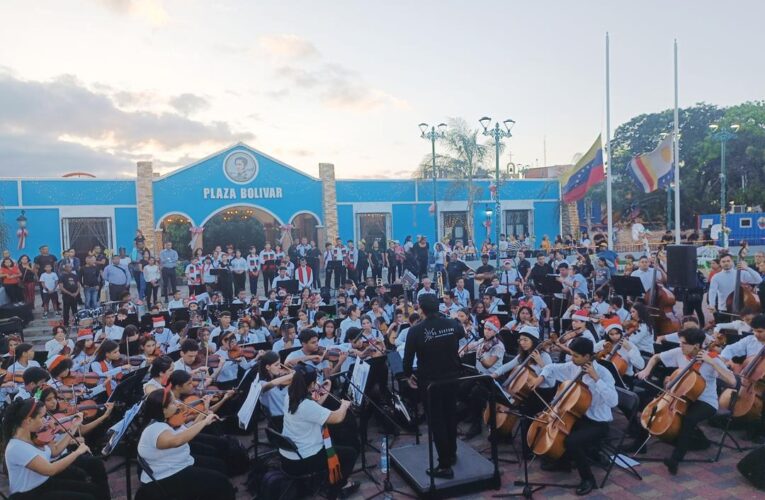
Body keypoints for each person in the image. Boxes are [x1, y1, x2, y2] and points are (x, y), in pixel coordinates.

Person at [635, 328, 735, 474]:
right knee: (652, 407)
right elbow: (656, 357)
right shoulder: (680, 353)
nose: (680, 346)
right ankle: (639, 444)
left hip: (706, 401)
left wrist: (712, 363)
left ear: (696, 345)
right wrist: (647, 370)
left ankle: (675, 459)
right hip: (681, 396)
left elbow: (732, 381)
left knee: (689, 419)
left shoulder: (713, 359)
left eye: (683, 343)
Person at [530, 337, 618, 496]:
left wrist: (596, 378)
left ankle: (588, 479)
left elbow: (613, 401)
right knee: (562, 431)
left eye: (576, 356)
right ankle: (564, 463)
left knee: (571, 441)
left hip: (598, 422)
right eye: (571, 354)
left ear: (587, 356)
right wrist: (540, 377)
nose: (572, 358)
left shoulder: (604, 373)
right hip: (580, 416)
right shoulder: (573, 366)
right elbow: (551, 367)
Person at [403, 294, 465, 479]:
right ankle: (451, 453)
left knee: (437, 421)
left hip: (431, 382)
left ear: (421, 309)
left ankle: (445, 465)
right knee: (450, 415)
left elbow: (407, 360)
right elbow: (461, 334)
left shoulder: (415, 331)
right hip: (453, 378)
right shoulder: (453, 323)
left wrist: (408, 376)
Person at [136, 389, 235, 499]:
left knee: (219, 465)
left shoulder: (165, 420)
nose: (178, 404)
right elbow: (177, 441)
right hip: (167, 476)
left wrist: (203, 416)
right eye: (173, 402)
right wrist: (204, 422)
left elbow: (186, 432)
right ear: (163, 410)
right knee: (221, 482)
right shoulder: (154, 429)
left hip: (180, 462)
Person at [280, 364, 359, 498]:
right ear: (311, 384)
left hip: (288, 456)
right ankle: (335, 490)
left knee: (334, 442)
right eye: (315, 382)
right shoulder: (305, 405)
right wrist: (344, 406)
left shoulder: (290, 394)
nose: (317, 384)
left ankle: (331, 480)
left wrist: (325, 391)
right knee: (351, 453)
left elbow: (314, 408)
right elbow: (337, 417)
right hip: (302, 461)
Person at [2, 398, 97, 499]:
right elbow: (50, 470)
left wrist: (73, 427)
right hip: (29, 495)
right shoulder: (16, 447)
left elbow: (54, 451)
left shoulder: (32, 436)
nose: (46, 421)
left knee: (92, 489)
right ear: (29, 420)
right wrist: (77, 452)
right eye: (42, 417)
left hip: (44, 484)